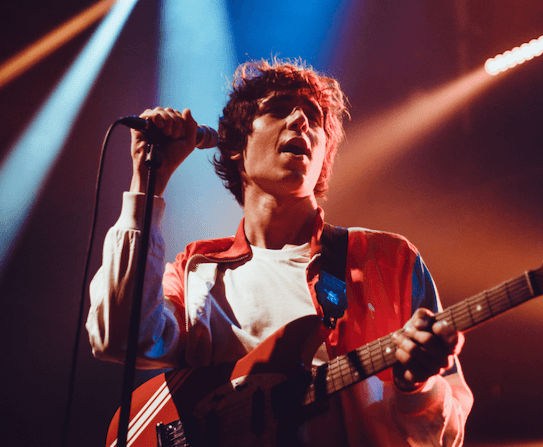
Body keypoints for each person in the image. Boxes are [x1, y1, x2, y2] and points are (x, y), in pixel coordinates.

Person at [87, 59, 473, 446]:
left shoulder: (390, 260)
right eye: (278, 109)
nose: (301, 121)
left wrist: (419, 388)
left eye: (314, 118)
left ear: (323, 156)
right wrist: (147, 185)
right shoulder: (197, 272)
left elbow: (448, 435)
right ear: (236, 145)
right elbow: (118, 338)